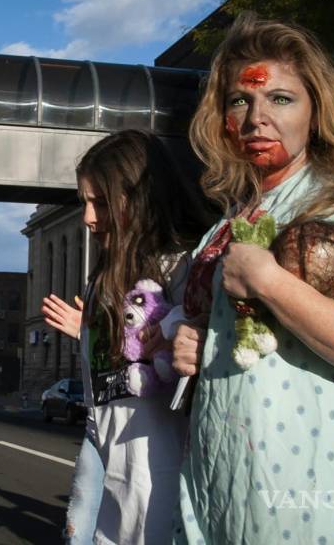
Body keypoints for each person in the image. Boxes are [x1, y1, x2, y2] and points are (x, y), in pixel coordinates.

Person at [170, 12, 334, 542]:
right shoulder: (233, 217)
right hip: (228, 491)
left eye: (281, 99)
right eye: (240, 100)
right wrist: (197, 338)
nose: (256, 117)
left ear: (315, 111)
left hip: (311, 504)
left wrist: (270, 281)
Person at [42, 129, 213, 544]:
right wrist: (89, 333)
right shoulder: (106, 274)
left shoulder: (185, 264)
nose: (87, 218)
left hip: (160, 462)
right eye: (84, 202)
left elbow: (211, 357)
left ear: (140, 198)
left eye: (100, 202)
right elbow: (108, 381)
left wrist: (187, 333)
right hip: (107, 449)